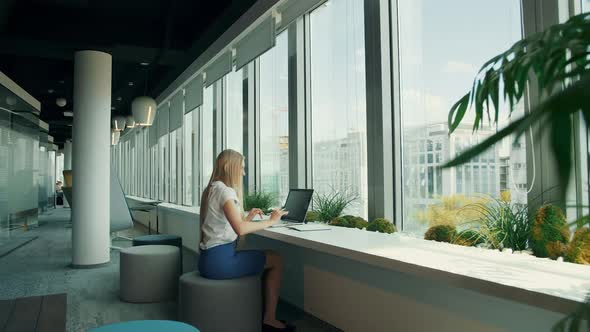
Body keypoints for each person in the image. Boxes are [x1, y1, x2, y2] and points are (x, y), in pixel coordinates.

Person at [198, 149, 294, 332]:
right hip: (220, 263)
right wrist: (271, 221)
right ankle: (270, 319)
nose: (243, 173)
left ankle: (260, 310)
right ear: (229, 167)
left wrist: (248, 217)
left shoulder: (212, 188)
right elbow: (240, 229)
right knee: (276, 259)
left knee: (269, 257)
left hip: (207, 260)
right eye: (241, 168)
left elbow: (227, 227)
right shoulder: (226, 192)